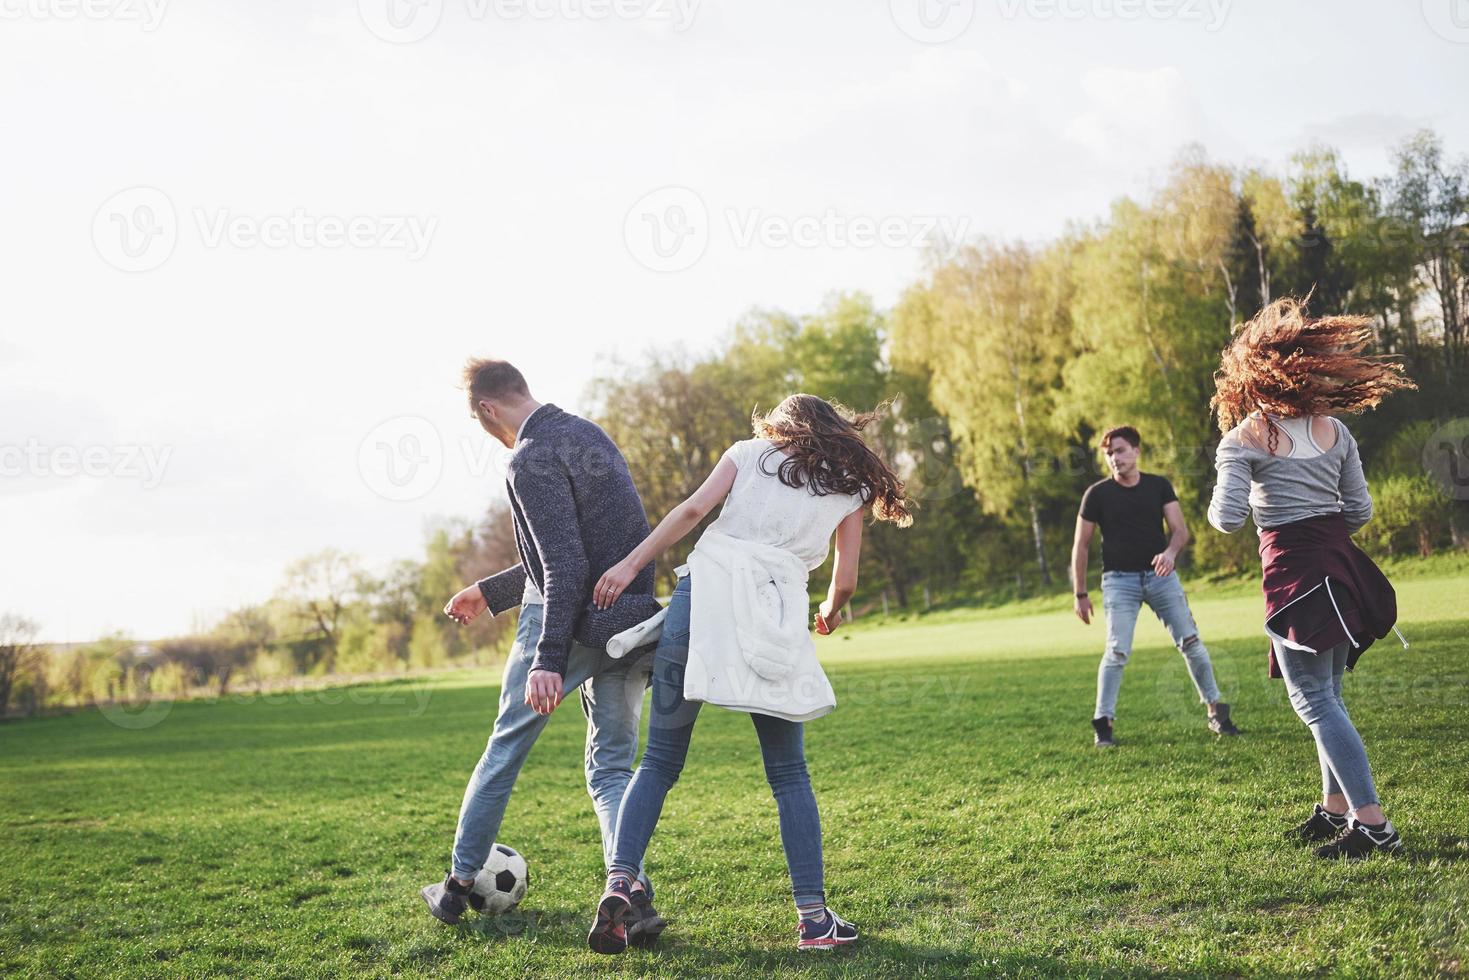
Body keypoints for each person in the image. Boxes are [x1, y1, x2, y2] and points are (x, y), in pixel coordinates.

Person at [581, 394, 912, 954]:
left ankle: (621, 881)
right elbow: (846, 578)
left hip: (701, 597)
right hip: (773, 614)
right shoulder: (851, 486)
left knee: (659, 760)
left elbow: (690, 513)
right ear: (832, 428)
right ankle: (813, 919)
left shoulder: (746, 453)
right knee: (788, 774)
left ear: (782, 427)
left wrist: (630, 564)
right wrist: (829, 612)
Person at [420, 358, 669, 942]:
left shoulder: (527, 458)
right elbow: (587, 545)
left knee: (504, 749)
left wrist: (547, 658)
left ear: (486, 408)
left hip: (568, 623)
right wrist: (489, 590)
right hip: (629, 624)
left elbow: (564, 564)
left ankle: (457, 885)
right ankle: (626, 886)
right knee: (611, 768)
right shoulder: (588, 434)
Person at [1207, 297, 1413, 860]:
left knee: (1314, 699)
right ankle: (1335, 809)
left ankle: (1373, 824)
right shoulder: (1335, 431)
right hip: (1341, 567)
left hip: (1296, 576)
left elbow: (1225, 520)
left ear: (1251, 373)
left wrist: (1234, 470)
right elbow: (1361, 511)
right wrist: (1323, 537)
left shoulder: (1244, 438)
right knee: (1331, 694)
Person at [1071, 426, 1240, 747]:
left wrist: (1170, 553)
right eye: (1108, 453)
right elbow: (1081, 545)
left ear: (1136, 451)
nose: (1114, 458)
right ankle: (1103, 724)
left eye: (1120, 450)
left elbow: (1179, 531)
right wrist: (1080, 593)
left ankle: (1217, 711)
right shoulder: (1097, 494)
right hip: (1118, 582)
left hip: (1161, 578)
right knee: (1117, 651)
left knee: (1191, 642)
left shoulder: (1158, 486)